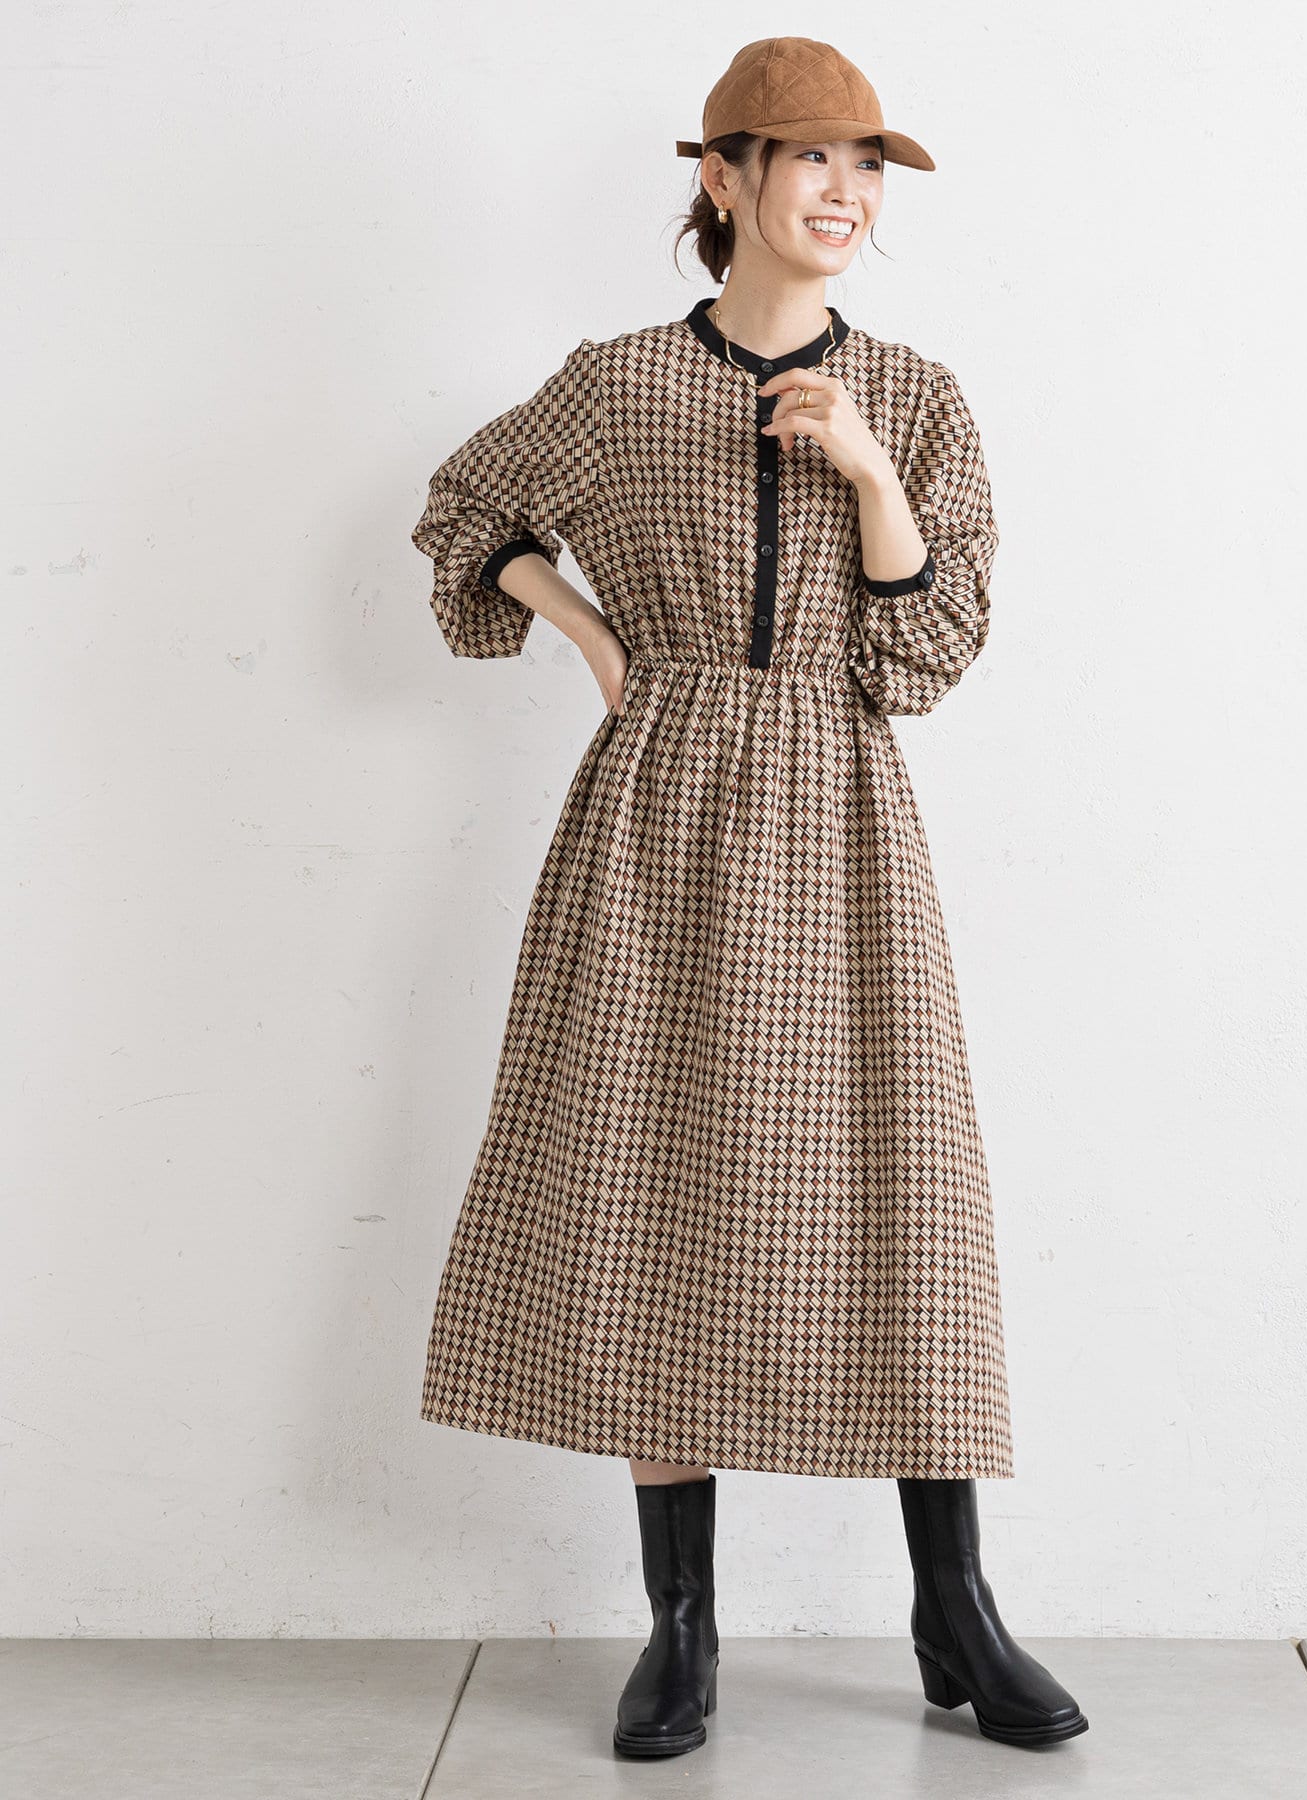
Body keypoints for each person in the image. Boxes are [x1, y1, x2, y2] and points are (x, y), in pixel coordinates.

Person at [410, 34, 1088, 1763]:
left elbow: (928, 656)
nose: (844, 192)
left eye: (866, 164)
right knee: (656, 1185)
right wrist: (590, 633)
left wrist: (867, 471)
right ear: (724, 179)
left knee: (902, 1198)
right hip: (656, 817)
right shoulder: (620, 384)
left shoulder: (915, 396)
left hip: (844, 819)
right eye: (809, 159)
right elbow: (462, 512)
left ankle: (956, 1609)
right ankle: (682, 1626)